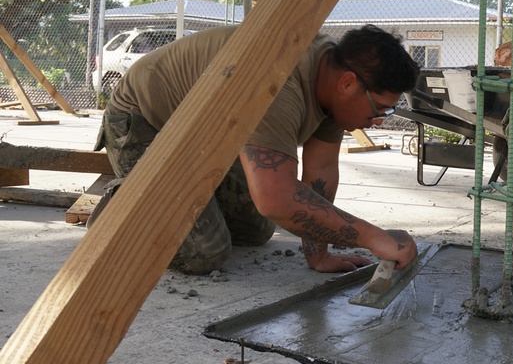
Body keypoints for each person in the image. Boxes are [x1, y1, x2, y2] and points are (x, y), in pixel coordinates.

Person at [91, 24, 420, 276]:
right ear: (348, 83)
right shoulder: (278, 83)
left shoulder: (333, 84)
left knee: (256, 230)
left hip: (202, 138)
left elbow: (319, 176)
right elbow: (276, 198)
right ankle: (127, 203)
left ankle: (177, 195)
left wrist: (318, 255)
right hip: (146, 123)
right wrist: (374, 237)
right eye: (380, 108)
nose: (378, 121)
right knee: (204, 253)